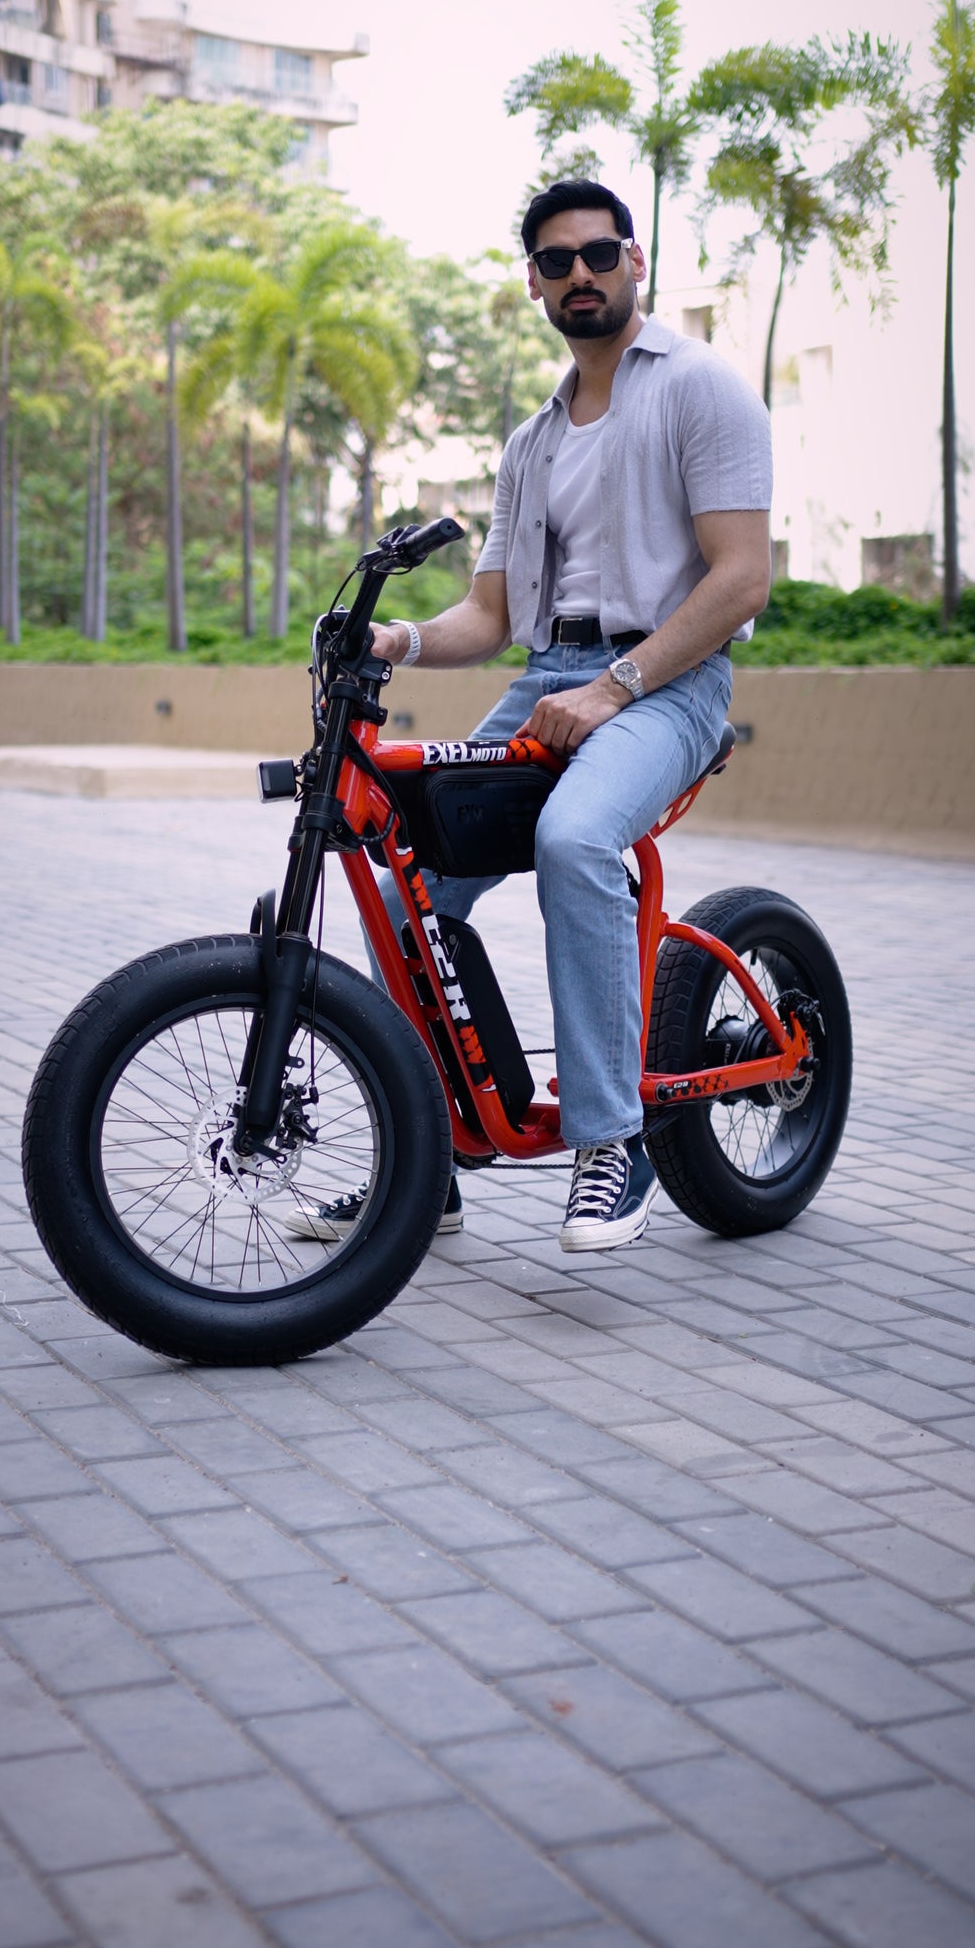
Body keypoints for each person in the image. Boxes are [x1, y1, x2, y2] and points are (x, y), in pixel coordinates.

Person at [295, 179, 772, 1255]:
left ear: (633, 261)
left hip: (668, 682)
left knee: (573, 837)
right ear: (532, 284)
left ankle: (613, 1141)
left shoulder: (698, 390)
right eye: (555, 262)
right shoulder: (531, 441)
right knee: (400, 879)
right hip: (551, 675)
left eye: (597, 253)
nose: (579, 275)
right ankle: (430, 1158)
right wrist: (394, 642)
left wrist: (616, 687)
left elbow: (740, 580)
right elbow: (489, 614)